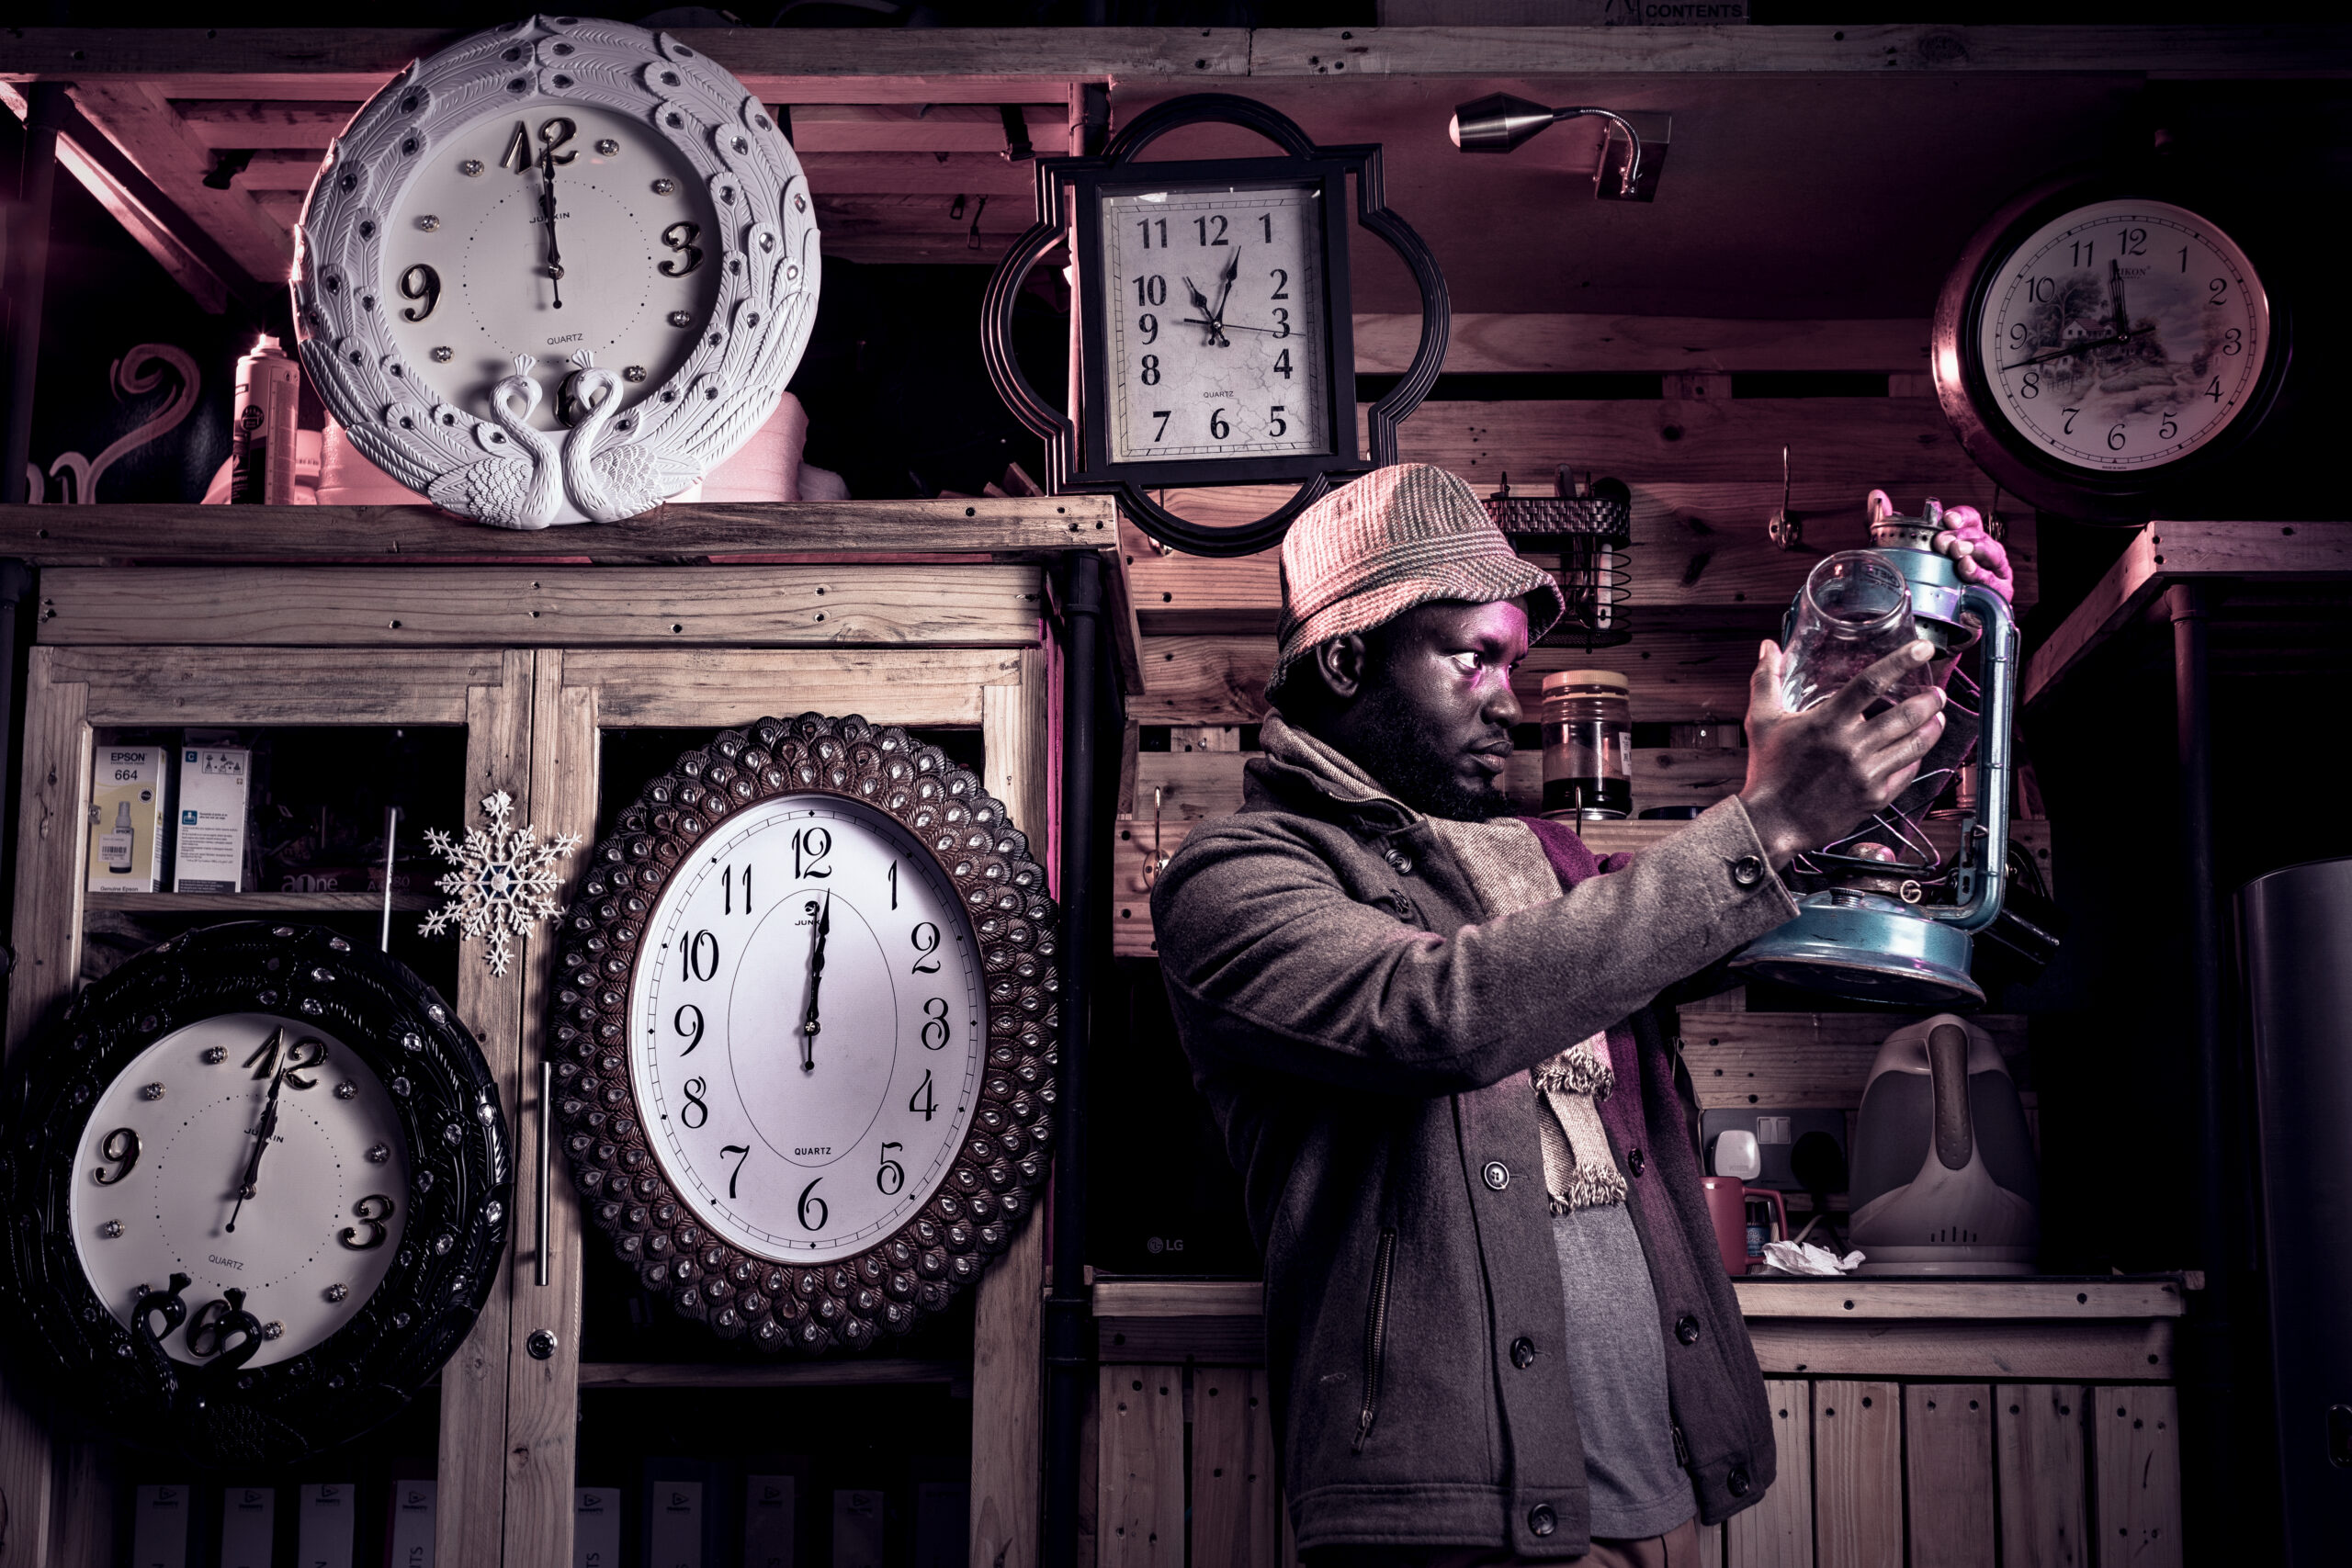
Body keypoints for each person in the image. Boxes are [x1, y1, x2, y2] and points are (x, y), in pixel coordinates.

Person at [1148, 464, 2012, 1566]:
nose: (1508, 697)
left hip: (1656, 1487)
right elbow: (1440, 1013)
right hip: (1456, 1519)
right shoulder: (1237, 877)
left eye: (1514, 661)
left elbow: (1746, 900)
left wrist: (1933, 670)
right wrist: (1762, 820)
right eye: (1472, 658)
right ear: (1346, 658)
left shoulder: (1545, 863)